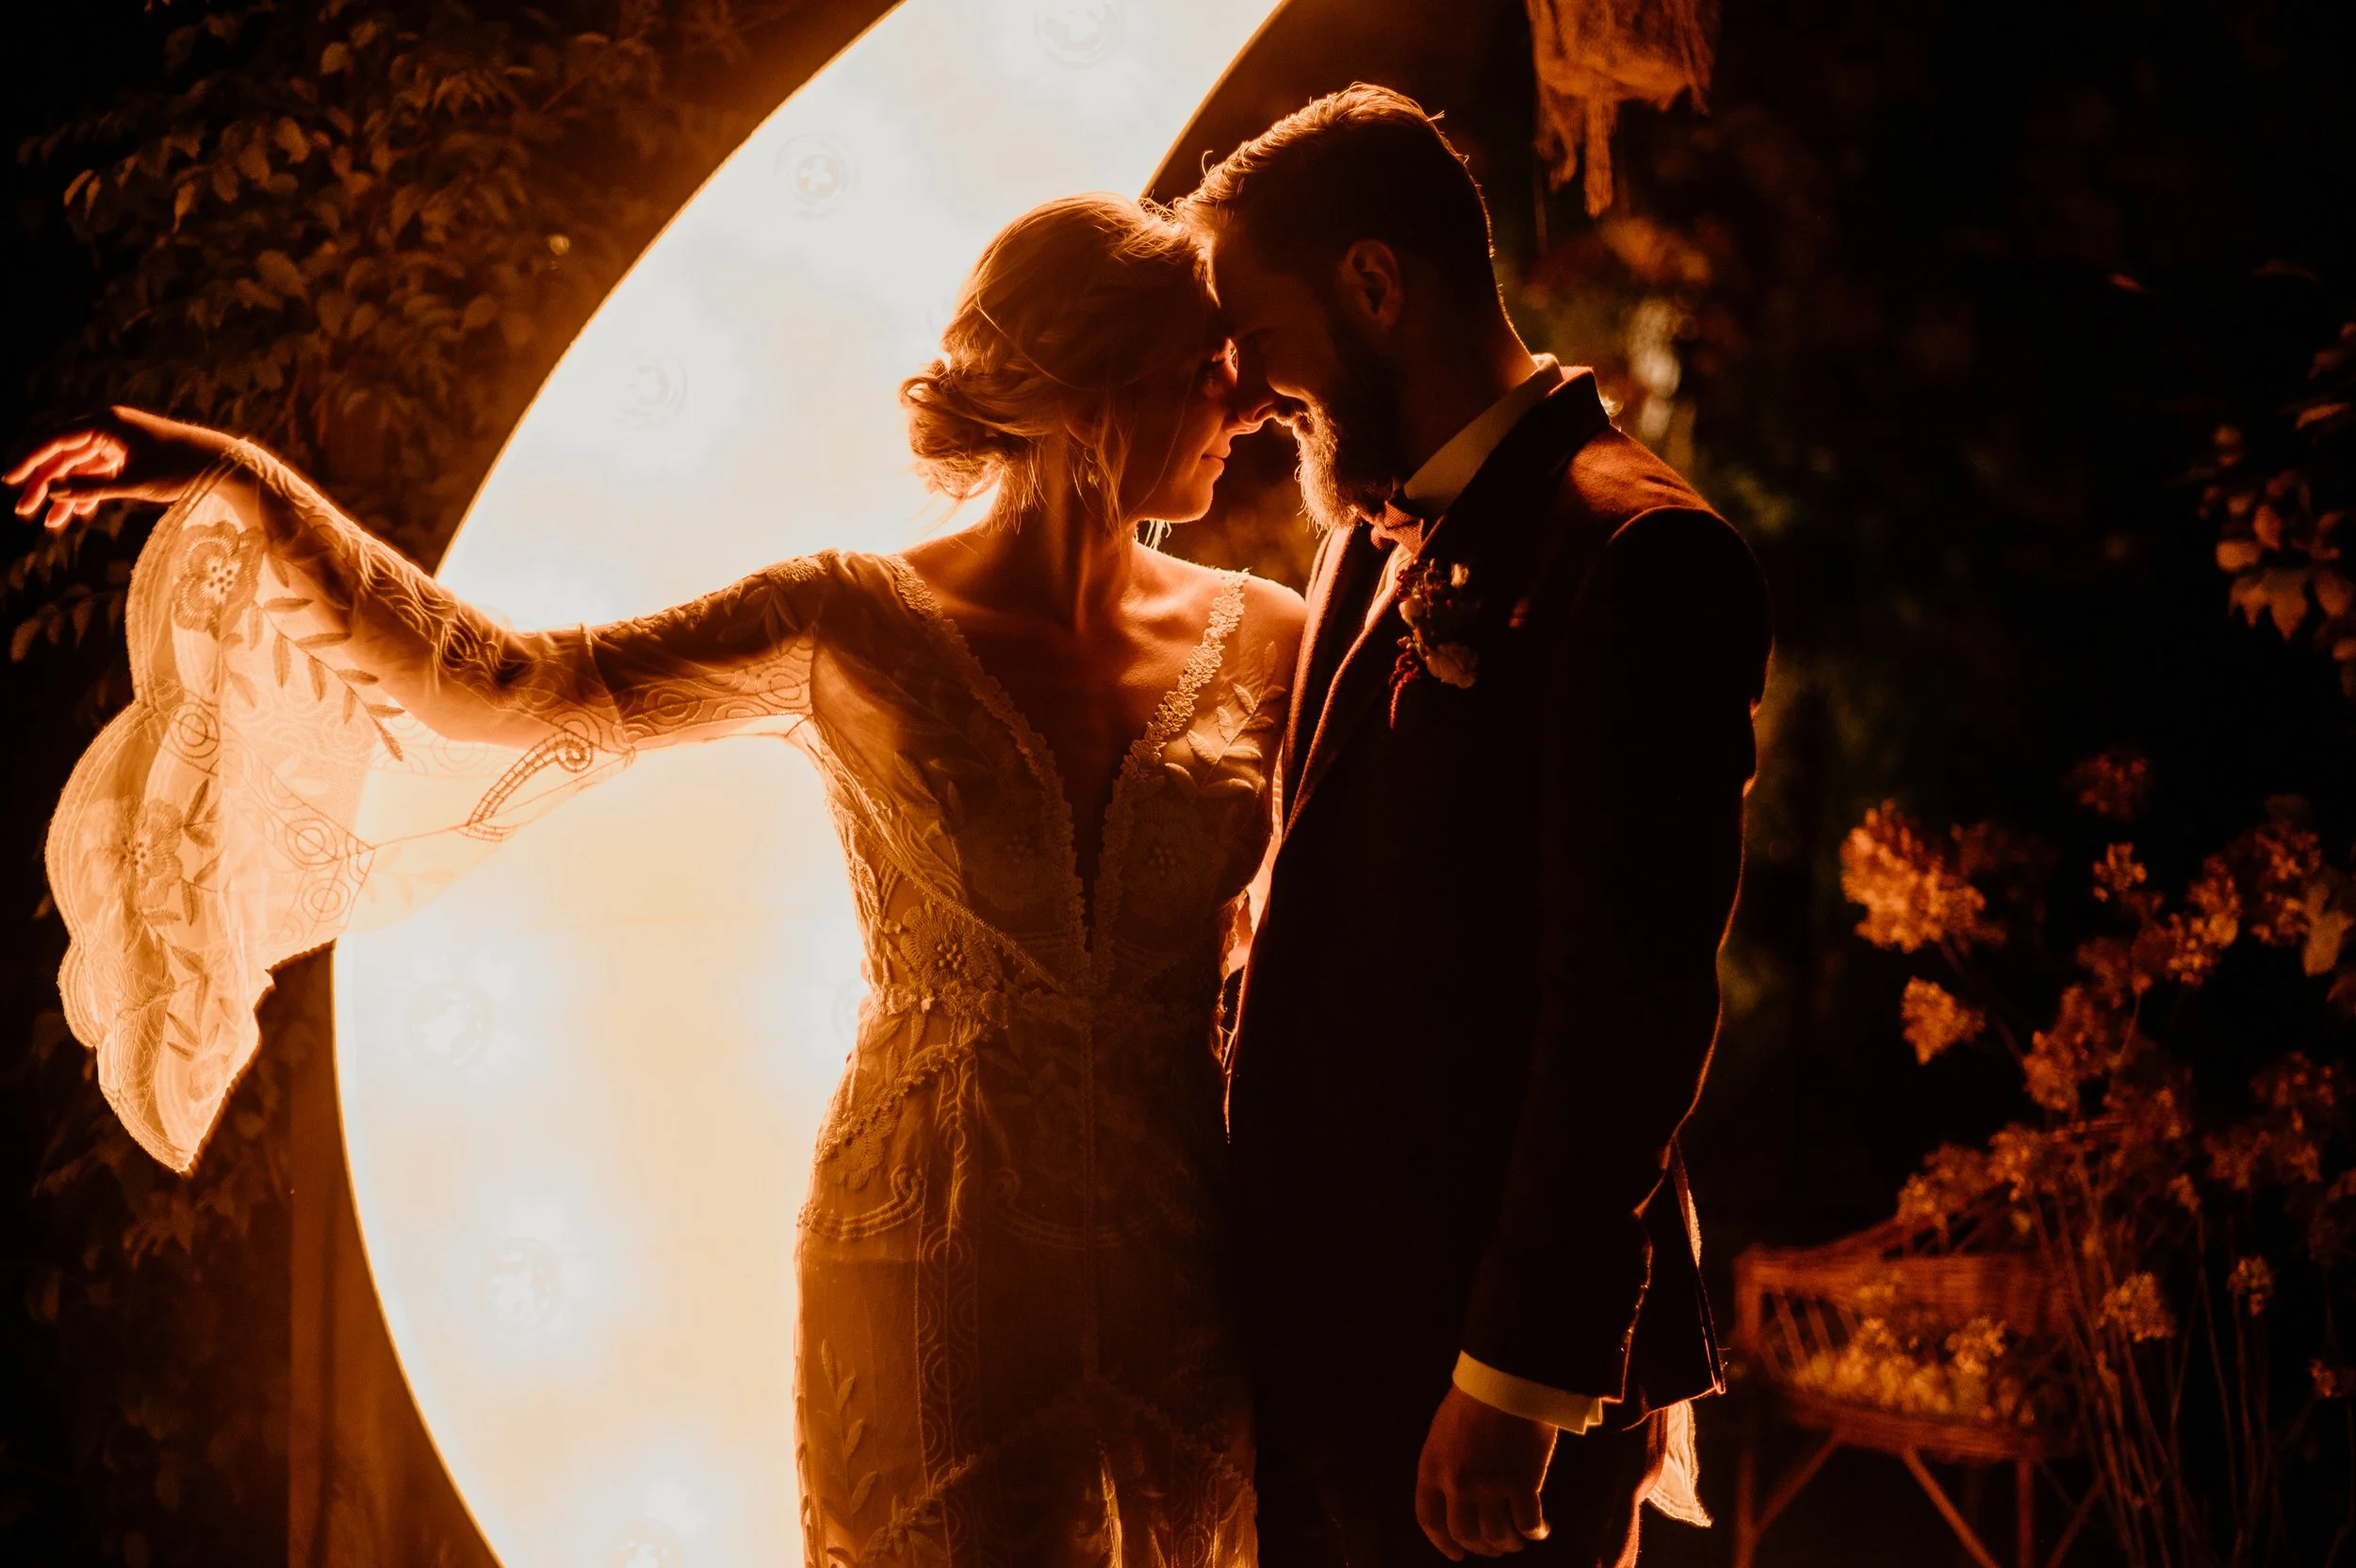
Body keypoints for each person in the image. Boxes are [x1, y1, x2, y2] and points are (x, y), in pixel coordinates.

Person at [10, 193, 1305, 1568]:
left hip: (1184, 1260)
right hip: (939, 1245)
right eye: (1203, 369)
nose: (1247, 407)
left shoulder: (1275, 639)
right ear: (1085, 383)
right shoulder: (846, 618)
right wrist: (236, 481)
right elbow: (504, 687)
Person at [1178, 87, 1772, 1566]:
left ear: (1376, 284)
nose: (1245, 389)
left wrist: (1516, 1381)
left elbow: (1626, 1006)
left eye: (1256, 334)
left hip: (1476, 1374)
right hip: (1320, 1340)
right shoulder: (1357, 544)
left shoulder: (1638, 553)